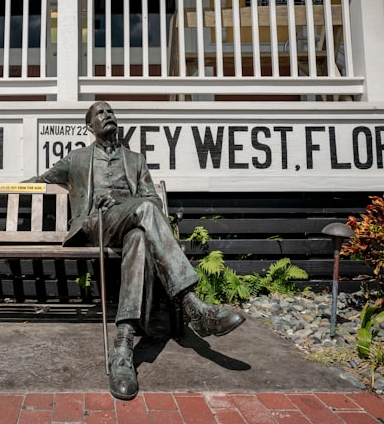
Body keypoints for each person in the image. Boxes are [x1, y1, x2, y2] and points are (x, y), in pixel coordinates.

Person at [26, 101, 244, 400]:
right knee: (142, 210)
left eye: (111, 112)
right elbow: (40, 180)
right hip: (95, 225)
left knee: (141, 235)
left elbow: (153, 200)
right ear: (89, 127)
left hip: (131, 226)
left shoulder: (135, 160)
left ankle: (123, 349)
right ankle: (191, 303)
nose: (108, 116)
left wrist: (132, 207)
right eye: (100, 113)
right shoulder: (77, 159)